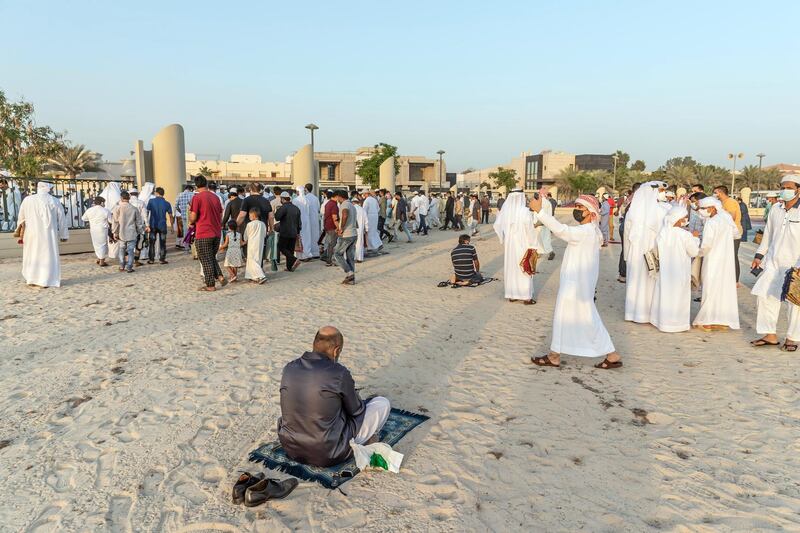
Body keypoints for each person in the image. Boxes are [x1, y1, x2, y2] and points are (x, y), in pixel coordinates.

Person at [529, 194, 621, 369]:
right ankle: (555, 354)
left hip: (576, 284)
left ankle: (611, 354)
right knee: (570, 317)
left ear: (591, 212)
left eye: (581, 208)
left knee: (585, 317)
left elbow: (562, 230)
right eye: (576, 207)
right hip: (578, 283)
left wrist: (539, 212)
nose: (577, 210)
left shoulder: (585, 232)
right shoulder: (592, 231)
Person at [278, 327, 391, 467]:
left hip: (290, 448)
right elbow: (356, 411)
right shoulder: (339, 372)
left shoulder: (289, 367)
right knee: (382, 403)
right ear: (336, 350)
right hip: (328, 453)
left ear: (314, 345)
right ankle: (365, 440)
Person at [750, 175, 800, 351]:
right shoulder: (775, 209)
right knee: (764, 296)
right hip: (773, 261)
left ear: (798, 189)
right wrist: (759, 255)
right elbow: (768, 235)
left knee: (795, 303)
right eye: (782, 187)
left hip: (795, 265)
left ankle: (792, 338)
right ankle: (769, 335)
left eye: (788, 187)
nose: (784, 190)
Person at [624, 181, 670, 323]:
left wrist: (627, 255)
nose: (663, 193)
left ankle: (634, 313)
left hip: (636, 252)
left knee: (637, 281)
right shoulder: (661, 210)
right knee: (649, 281)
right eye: (661, 190)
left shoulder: (633, 212)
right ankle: (648, 314)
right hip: (652, 251)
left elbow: (626, 235)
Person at [649, 206, 700, 332]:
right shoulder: (685, 235)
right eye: (684, 218)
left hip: (665, 271)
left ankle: (661, 321)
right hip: (680, 272)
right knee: (678, 297)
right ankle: (676, 324)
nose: (686, 220)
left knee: (664, 295)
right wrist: (696, 238)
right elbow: (694, 252)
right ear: (678, 219)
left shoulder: (663, 233)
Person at [692, 196, 740, 331]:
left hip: (712, 259)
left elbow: (706, 245)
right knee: (723, 289)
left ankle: (707, 321)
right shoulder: (726, 218)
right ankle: (721, 320)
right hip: (726, 260)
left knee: (710, 288)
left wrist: (697, 252)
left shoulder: (711, 222)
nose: (700, 211)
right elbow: (736, 234)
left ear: (712, 208)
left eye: (703, 208)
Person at [16, 182, 69, 287]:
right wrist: (64, 235)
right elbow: (62, 219)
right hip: (48, 235)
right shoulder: (54, 200)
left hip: (31, 234)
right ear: (48, 188)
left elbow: (21, 218)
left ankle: (31, 279)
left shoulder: (28, 200)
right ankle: (46, 280)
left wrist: (19, 230)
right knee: (47, 255)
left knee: (32, 254)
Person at [494, 189, 538, 305]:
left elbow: (497, 225)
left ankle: (512, 295)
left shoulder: (506, 211)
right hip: (523, 244)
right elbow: (530, 230)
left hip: (510, 246)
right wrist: (533, 244)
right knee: (524, 268)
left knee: (512, 267)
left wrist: (502, 238)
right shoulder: (525, 211)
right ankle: (526, 297)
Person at [189, 175, 226, 291]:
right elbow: (220, 215)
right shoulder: (215, 197)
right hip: (216, 232)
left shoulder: (197, 198)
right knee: (210, 256)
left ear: (196, 185)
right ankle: (219, 276)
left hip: (203, 232)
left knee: (205, 259)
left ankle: (210, 285)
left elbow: (193, 217)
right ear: (206, 184)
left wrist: (190, 220)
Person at [713, 185, 743, 284]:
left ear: (720, 192)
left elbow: (732, 217)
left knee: (733, 256)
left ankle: (735, 281)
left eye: (716, 192)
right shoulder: (723, 202)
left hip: (733, 233)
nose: (715, 194)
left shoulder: (730, 202)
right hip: (727, 233)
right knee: (727, 256)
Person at [237, 182, 273, 260]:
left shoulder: (246, 200)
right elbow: (271, 216)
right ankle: (260, 268)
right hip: (263, 228)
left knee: (250, 251)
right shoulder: (266, 201)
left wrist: (235, 225)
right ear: (260, 189)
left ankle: (253, 270)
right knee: (260, 250)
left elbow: (242, 215)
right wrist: (271, 228)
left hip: (250, 228)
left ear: (250, 189)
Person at [112, 190, 144, 273]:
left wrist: (114, 232)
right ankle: (129, 267)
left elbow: (115, 221)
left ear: (121, 198)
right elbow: (138, 222)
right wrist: (141, 231)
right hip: (132, 232)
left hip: (121, 232)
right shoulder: (134, 208)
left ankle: (122, 266)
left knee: (122, 249)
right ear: (129, 198)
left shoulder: (117, 208)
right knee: (130, 250)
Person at [332, 190, 357, 284]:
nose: (337, 199)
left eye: (337, 197)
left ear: (340, 197)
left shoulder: (344, 205)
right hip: (353, 233)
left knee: (337, 254)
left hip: (347, 234)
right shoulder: (352, 205)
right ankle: (351, 279)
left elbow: (345, 215)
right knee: (350, 257)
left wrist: (341, 228)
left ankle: (349, 273)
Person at [145, 187, 173, 265]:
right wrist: (172, 227)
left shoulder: (151, 201)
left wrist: (146, 224)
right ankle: (162, 259)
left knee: (152, 243)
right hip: (163, 225)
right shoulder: (167, 203)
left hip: (153, 225)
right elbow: (171, 215)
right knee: (162, 243)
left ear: (156, 193)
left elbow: (146, 212)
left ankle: (151, 259)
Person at [274, 191, 301, 272]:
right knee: (290, 250)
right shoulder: (296, 208)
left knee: (281, 247)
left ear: (282, 199)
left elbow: (277, 218)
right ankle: (289, 267)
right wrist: (298, 232)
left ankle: (294, 259)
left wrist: (277, 210)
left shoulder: (283, 207)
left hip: (285, 231)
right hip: (294, 232)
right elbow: (299, 222)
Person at [82, 196, 112, 267]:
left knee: (96, 244)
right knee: (103, 244)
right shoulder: (105, 210)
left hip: (93, 229)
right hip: (102, 229)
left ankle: (99, 258)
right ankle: (102, 261)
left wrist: (91, 219)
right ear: (101, 203)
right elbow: (111, 221)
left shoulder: (89, 210)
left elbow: (83, 218)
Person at [241, 208, 268, 284]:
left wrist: (245, 240)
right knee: (257, 259)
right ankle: (253, 276)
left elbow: (246, 236)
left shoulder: (249, 224)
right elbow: (264, 234)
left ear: (253, 215)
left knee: (252, 260)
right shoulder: (262, 224)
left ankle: (261, 276)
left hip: (252, 243)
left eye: (250, 215)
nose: (249, 217)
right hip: (260, 243)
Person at [128, 189, 149, 267]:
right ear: (137, 194)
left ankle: (129, 261)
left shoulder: (127, 203)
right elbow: (145, 215)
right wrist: (147, 225)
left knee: (129, 244)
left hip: (129, 226)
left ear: (130, 194)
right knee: (139, 244)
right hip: (139, 226)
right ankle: (136, 261)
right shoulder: (141, 203)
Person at [536, 189, 555, 261]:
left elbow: (537, 213)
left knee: (540, 239)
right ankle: (541, 253)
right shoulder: (548, 203)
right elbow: (550, 215)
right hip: (546, 223)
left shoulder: (540, 202)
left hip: (539, 223)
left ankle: (550, 252)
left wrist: (536, 223)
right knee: (545, 239)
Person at [321, 190, 339, 266]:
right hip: (332, 226)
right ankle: (329, 260)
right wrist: (338, 227)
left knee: (329, 243)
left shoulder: (327, 203)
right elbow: (334, 217)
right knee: (332, 244)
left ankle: (326, 256)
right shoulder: (334, 205)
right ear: (336, 197)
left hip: (327, 225)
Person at [304, 183, 321, 258]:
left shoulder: (305, 198)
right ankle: (316, 253)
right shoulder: (315, 198)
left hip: (308, 219)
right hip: (315, 220)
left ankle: (308, 252)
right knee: (315, 236)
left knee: (308, 236)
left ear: (306, 189)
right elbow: (318, 209)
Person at [174, 184, 194, 249]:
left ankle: (186, 247)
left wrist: (181, 211)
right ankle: (192, 245)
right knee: (193, 230)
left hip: (183, 216)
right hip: (192, 216)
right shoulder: (192, 194)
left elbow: (176, 206)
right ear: (191, 189)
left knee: (185, 230)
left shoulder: (179, 195)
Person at [352, 197, 367, 262]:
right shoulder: (362, 210)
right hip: (360, 229)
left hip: (351, 228)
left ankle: (352, 257)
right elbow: (366, 220)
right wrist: (366, 229)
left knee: (351, 243)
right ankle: (359, 258)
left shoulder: (351, 209)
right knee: (359, 243)